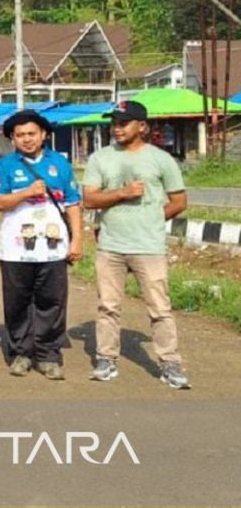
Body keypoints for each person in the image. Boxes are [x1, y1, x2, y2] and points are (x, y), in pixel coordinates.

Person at [83, 100, 190, 389]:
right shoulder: (100, 158)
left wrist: (153, 218)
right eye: (114, 123)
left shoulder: (161, 159)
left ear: (141, 126)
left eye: (123, 123)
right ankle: (106, 358)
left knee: (159, 307)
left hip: (149, 245)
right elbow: (90, 199)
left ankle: (170, 363)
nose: (117, 128)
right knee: (108, 306)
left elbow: (179, 201)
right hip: (111, 245)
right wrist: (122, 193)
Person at [0, 109, 83, 381]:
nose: (27, 139)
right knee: (17, 302)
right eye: (20, 135)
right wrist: (26, 193)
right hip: (15, 249)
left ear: (43, 135)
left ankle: (48, 355)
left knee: (51, 302)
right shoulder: (5, 165)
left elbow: (73, 204)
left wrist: (77, 239)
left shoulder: (60, 165)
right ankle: (21, 352)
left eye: (32, 133)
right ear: (12, 139)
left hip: (53, 248)